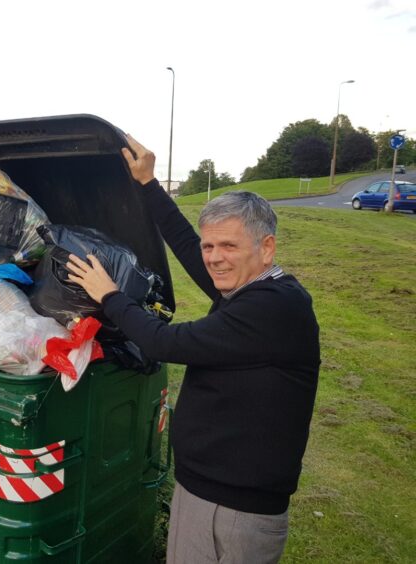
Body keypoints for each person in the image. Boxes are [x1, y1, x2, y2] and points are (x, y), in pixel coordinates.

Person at [66, 136, 320, 564]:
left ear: (267, 247)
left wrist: (109, 295)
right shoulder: (248, 289)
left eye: (230, 246)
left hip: (233, 508)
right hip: (208, 488)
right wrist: (148, 183)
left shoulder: (274, 308)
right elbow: (189, 250)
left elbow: (165, 342)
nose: (215, 258)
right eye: (211, 245)